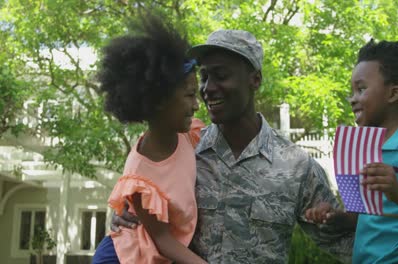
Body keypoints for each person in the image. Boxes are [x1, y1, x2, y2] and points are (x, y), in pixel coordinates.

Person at [111, 29, 355, 263]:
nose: (208, 88)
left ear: (255, 80)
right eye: (204, 77)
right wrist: (126, 216)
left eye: (221, 76)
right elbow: (146, 208)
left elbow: (351, 245)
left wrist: (376, 208)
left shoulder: (298, 167)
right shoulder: (183, 151)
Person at [307, 39, 398, 263]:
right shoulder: (362, 149)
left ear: (393, 93)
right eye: (352, 91)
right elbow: (372, 217)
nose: (352, 99)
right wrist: (338, 218)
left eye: (361, 89)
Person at [92, 14, 207, 264]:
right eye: (189, 95)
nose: (197, 105)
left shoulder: (190, 135)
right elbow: (164, 241)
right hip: (121, 257)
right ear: (159, 101)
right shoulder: (139, 176)